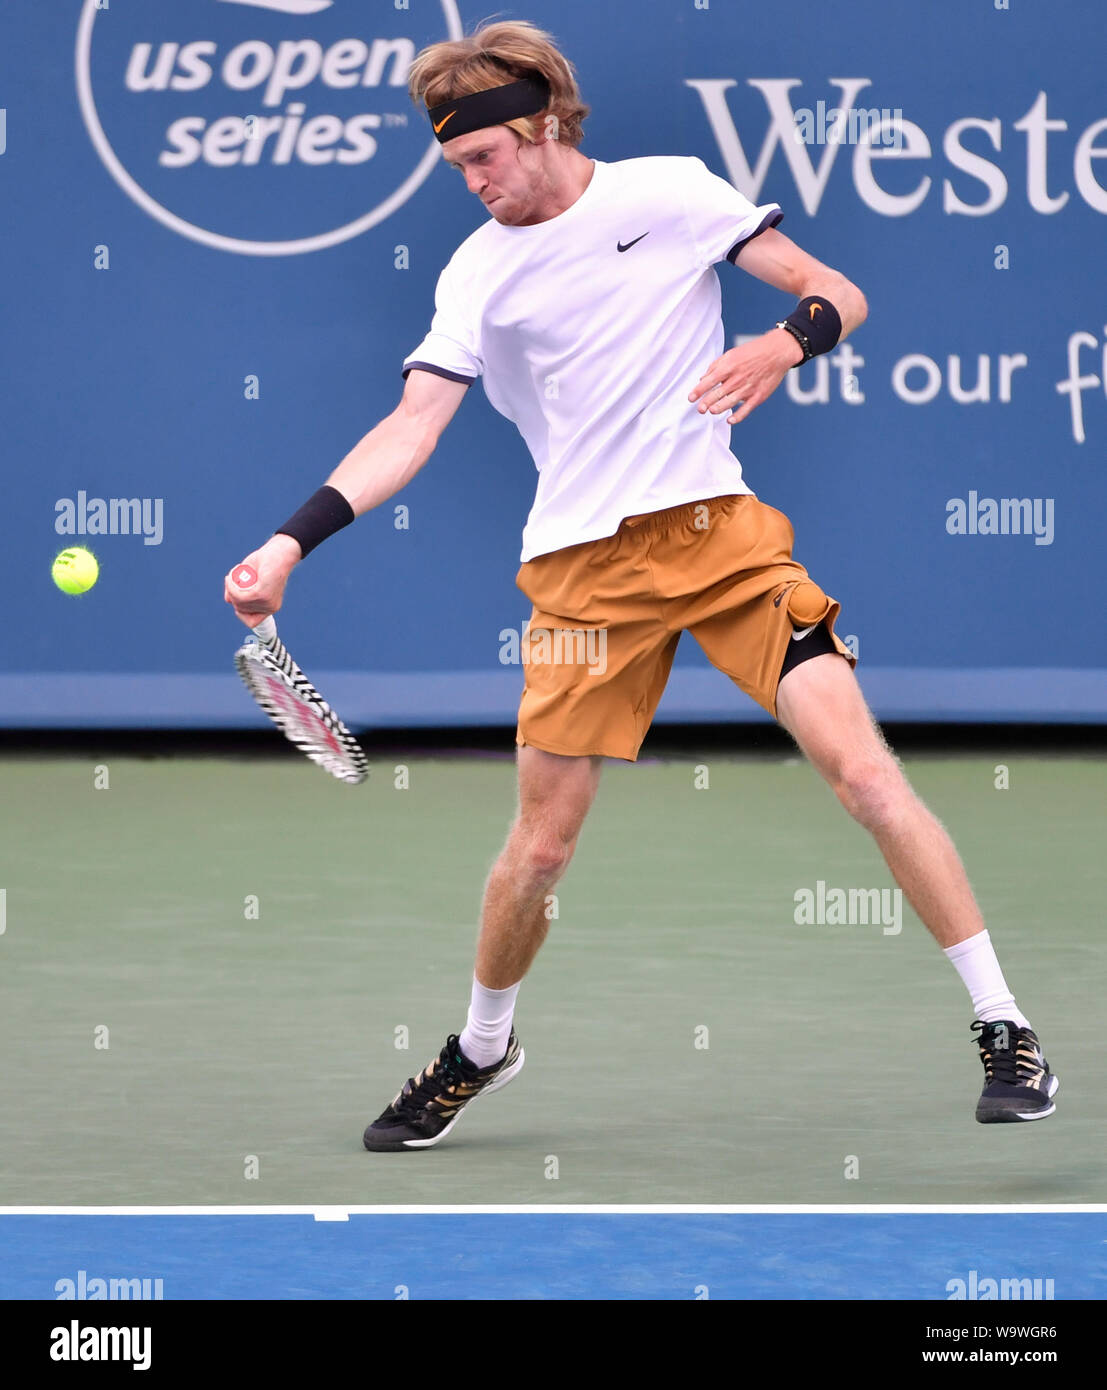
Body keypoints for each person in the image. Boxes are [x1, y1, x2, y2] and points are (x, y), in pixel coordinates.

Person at [224, 20, 1057, 1148]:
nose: (472, 184)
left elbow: (835, 289)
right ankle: (480, 1046)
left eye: (484, 159)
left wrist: (784, 344)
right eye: (457, 168)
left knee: (862, 772)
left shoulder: (669, 194)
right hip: (580, 578)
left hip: (725, 547)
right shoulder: (478, 271)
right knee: (542, 848)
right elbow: (414, 424)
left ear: (543, 125)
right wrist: (289, 543)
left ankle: (1005, 1025)